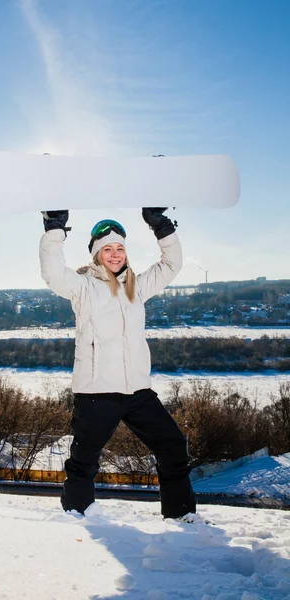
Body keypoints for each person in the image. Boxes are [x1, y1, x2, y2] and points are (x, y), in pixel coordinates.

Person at [39, 208, 196, 520]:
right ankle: (77, 515)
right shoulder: (83, 286)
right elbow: (53, 272)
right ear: (97, 254)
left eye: (120, 248)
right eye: (107, 249)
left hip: (137, 391)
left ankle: (182, 517)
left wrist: (161, 226)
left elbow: (171, 264)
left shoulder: (135, 286)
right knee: (84, 460)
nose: (114, 254)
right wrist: (55, 228)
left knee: (173, 446)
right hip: (97, 393)